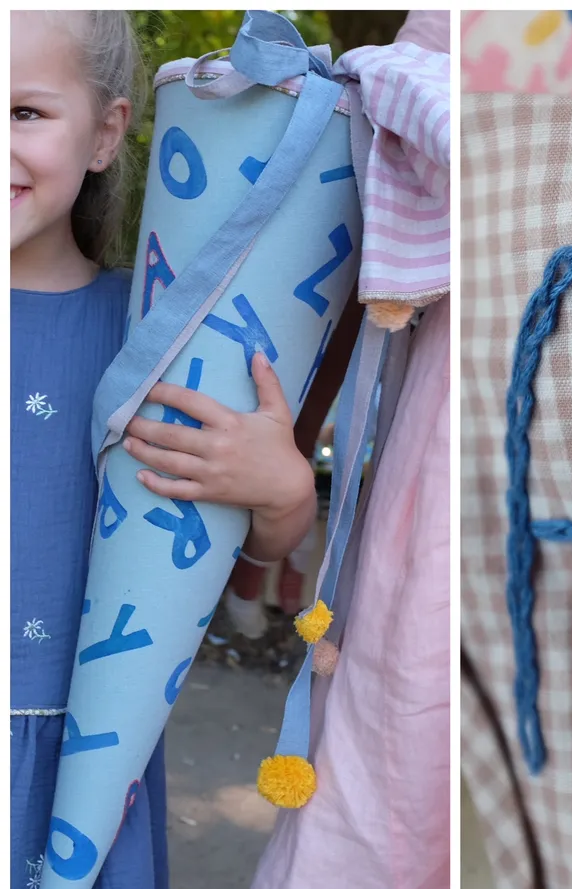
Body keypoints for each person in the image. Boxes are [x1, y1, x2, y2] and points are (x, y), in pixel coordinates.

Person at [11, 11, 317, 888]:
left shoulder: (160, 334)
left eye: (24, 112)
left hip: (77, 767)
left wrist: (282, 487)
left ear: (106, 133)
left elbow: (250, 540)